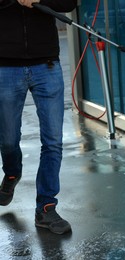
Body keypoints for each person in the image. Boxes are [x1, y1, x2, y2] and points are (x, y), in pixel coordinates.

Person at [0, 0, 77, 235]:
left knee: (53, 141)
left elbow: (68, 3)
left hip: (47, 65)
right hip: (5, 66)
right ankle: (12, 172)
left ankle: (46, 206)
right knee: (8, 139)